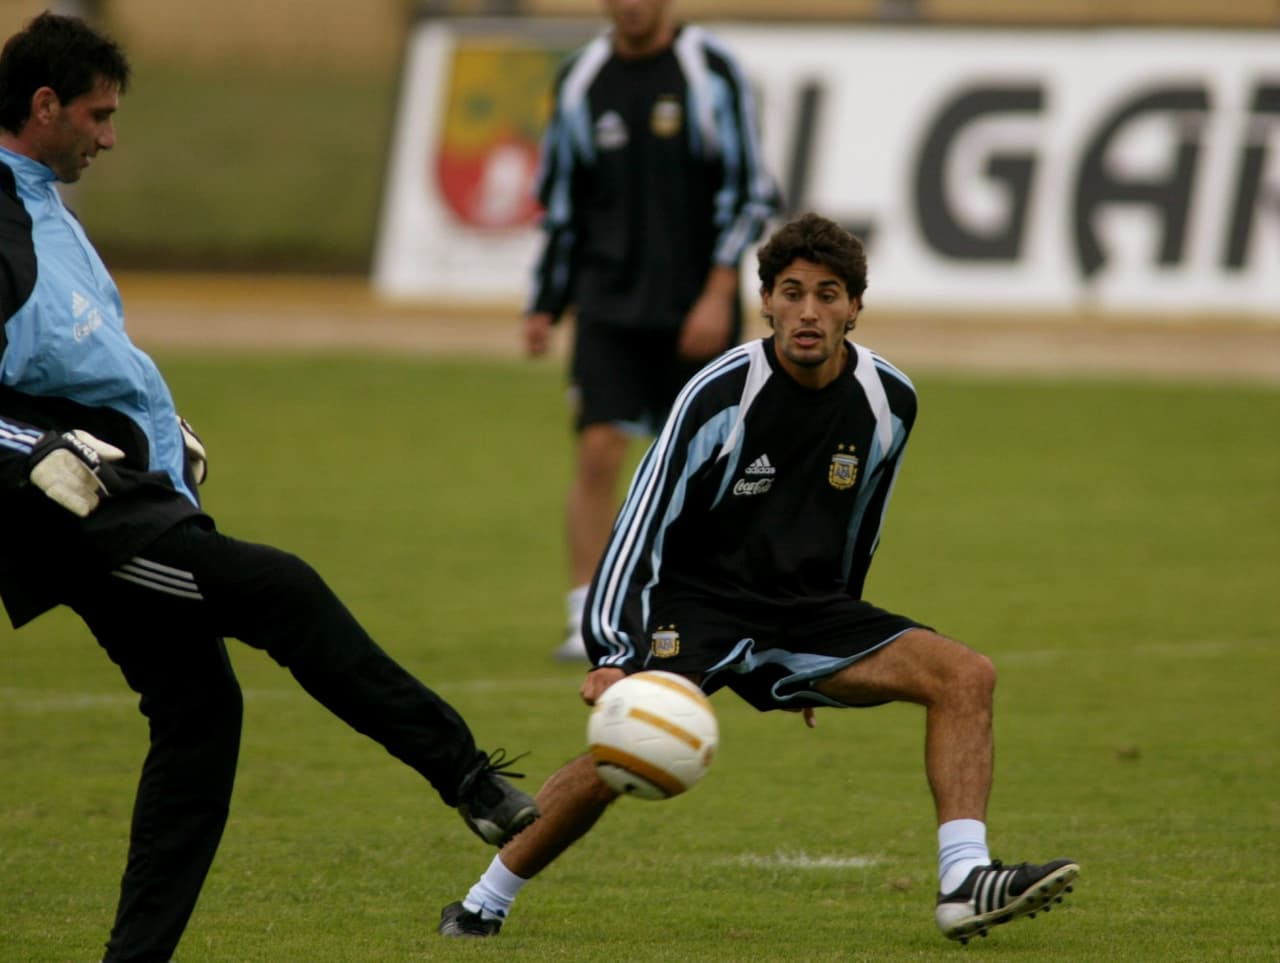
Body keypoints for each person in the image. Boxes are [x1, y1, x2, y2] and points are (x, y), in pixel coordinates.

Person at [0, 13, 538, 962]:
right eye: (97, 114)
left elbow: (79, 356)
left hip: (132, 494)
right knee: (281, 591)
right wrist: (29, 448)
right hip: (81, 520)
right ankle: (465, 774)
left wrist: (164, 434)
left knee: (202, 712)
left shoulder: (43, 205)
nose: (109, 135)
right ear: (43, 106)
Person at [438, 213, 1079, 944]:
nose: (809, 311)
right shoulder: (718, 393)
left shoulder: (890, 400)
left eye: (828, 294)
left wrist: (835, 642)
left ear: (855, 308)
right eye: (792, 292)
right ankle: (483, 903)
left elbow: (861, 520)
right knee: (628, 752)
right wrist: (615, 653)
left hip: (808, 611)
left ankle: (965, 880)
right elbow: (640, 521)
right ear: (767, 302)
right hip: (697, 603)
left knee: (967, 675)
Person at [524, 0, 782, 661]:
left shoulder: (709, 71)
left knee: (708, 467)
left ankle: (712, 605)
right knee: (598, 452)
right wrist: (545, 303)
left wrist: (718, 293)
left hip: (695, 303)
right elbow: (562, 202)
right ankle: (588, 618)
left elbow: (751, 190)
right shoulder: (581, 79)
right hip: (608, 306)